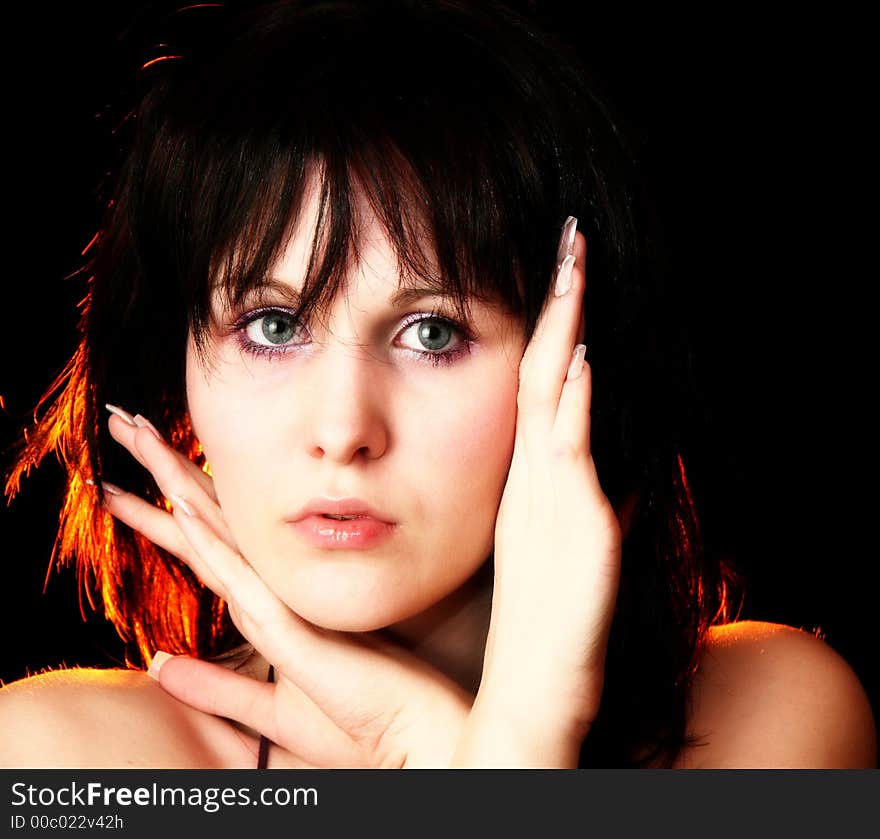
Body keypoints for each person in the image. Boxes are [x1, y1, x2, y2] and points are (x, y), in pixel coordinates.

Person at [0, 0, 875, 769]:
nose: (343, 429)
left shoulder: (769, 717)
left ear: (573, 357)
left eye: (432, 332)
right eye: (272, 325)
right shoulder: (58, 761)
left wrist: (492, 737)